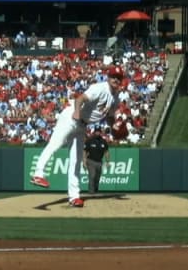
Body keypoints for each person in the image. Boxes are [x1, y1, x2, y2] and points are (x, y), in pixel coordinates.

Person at [29, 66, 124, 207]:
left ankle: (74, 197)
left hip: (82, 125)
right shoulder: (100, 88)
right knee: (56, 143)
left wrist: (114, 126)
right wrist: (77, 112)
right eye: (113, 76)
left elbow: (109, 117)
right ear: (108, 77)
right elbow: (80, 98)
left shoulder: (115, 97)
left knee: (76, 160)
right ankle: (38, 174)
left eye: (118, 78)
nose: (116, 79)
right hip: (71, 117)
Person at [83, 127, 110, 194]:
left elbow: (106, 151)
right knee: (92, 176)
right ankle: (91, 192)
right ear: (94, 132)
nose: (97, 132)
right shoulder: (90, 140)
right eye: (96, 131)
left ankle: (95, 189)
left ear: (100, 132)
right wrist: (84, 161)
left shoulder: (103, 141)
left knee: (97, 177)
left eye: (99, 131)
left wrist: (107, 161)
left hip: (99, 162)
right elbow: (84, 151)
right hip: (91, 161)